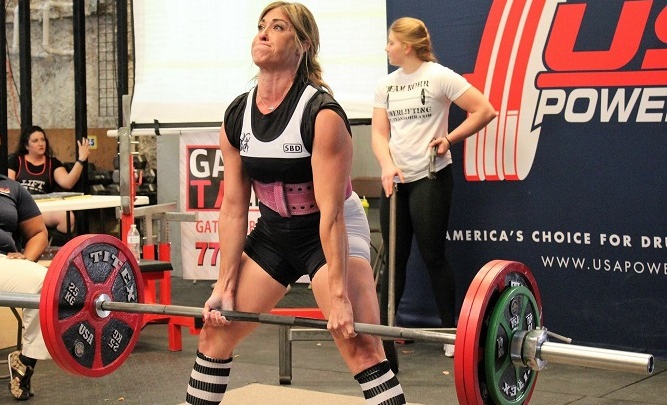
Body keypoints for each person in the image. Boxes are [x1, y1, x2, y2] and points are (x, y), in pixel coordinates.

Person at [185, 3, 406, 405]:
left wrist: (338, 294)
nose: (263, 34)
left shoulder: (321, 114)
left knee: (360, 346)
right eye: (260, 27)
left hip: (329, 232)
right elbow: (234, 208)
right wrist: (223, 284)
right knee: (216, 333)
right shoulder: (238, 115)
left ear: (303, 44)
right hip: (273, 233)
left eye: (278, 27)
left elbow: (332, 213)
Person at [371, 17, 497, 360]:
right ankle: (383, 339)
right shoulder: (386, 85)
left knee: (433, 255)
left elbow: (484, 110)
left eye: (391, 43)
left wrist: (449, 139)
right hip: (395, 181)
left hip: (431, 177)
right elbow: (379, 134)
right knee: (393, 261)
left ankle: (450, 333)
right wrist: (386, 165)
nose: (387, 48)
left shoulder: (438, 75)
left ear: (407, 47)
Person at [0, 119, 50, 400]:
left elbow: (38, 231)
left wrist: (28, 257)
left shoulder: (11, 188)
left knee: (44, 284)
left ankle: (25, 363)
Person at [7, 125, 90, 239]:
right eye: (35, 141)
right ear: (27, 145)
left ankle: (51, 247)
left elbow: (68, 182)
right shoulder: (15, 161)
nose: (41, 143)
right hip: (21, 208)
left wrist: (81, 160)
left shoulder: (52, 163)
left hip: (43, 209)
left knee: (68, 218)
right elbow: (9, 186)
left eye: (43, 140)